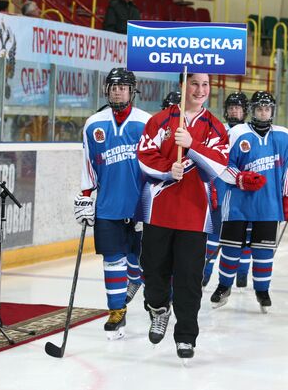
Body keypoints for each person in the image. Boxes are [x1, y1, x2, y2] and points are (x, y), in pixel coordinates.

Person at [137, 73, 228, 359]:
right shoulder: (159, 121)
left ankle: (186, 334)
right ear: (183, 85)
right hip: (158, 211)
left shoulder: (215, 127)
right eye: (195, 83)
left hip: (195, 214)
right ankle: (158, 308)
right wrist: (167, 169)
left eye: (205, 85)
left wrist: (191, 144)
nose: (200, 90)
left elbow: (218, 166)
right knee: (152, 271)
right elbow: (143, 155)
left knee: (189, 278)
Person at [74, 68, 150, 340]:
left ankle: (135, 281)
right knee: (112, 260)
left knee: (140, 261)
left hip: (141, 206)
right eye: (113, 86)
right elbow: (89, 165)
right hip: (108, 205)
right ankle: (116, 312)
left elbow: (155, 165)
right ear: (106, 90)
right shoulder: (94, 123)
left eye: (123, 86)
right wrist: (85, 196)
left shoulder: (146, 122)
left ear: (132, 90)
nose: (117, 90)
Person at [210, 91, 288, 311]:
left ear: (273, 111)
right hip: (237, 204)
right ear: (252, 111)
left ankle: (262, 290)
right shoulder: (238, 133)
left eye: (267, 109)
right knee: (230, 249)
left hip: (269, 205)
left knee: (263, 252)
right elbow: (223, 165)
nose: (263, 112)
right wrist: (240, 178)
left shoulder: (284, 136)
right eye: (259, 109)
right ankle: (224, 285)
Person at [202, 92, 252, 289]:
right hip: (218, 194)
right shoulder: (216, 131)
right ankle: (205, 272)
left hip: (241, 197)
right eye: (231, 107)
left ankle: (242, 272)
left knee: (243, 239)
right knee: (213, 237)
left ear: (245, 111)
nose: (234, 111)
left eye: (238, 107)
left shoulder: (250, 133)